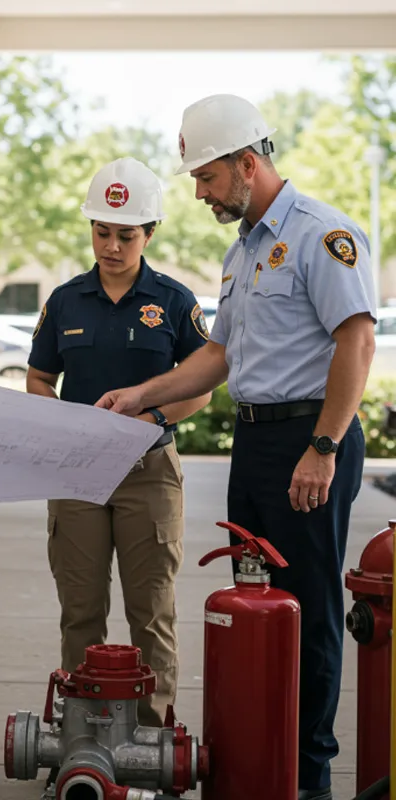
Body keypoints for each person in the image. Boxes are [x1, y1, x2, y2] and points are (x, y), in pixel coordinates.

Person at [97, 95, 377, 800]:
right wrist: (141, 396)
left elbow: (357, 341)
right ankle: (260, 758)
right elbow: (218, 356)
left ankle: (306, 774)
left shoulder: (321, 234)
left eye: (207, 177)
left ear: (248, 164)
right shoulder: (242, 251)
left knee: (307, 608)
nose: (199, 193)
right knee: (255, 599)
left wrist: (323, 447)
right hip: (254, 444)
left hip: (308, 440)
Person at [27, 157, 212, 732]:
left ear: (149, 234)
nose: (111, 246)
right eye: (102, 231)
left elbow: (201, 388)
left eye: (126, 235)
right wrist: (63, 421)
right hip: (77, 473)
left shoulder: (175, 301)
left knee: (150, 614)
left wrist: (150, 415)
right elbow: (39, 378)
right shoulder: (65, 301)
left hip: (148, 471)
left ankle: (152, 742)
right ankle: (80, 737)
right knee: (80, 612)